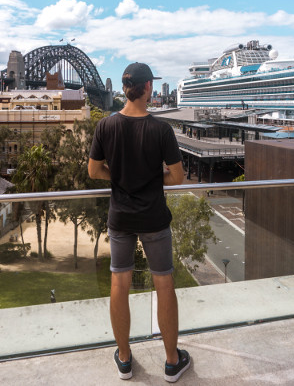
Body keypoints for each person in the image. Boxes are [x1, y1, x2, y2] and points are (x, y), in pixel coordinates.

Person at [88, 62, 191, 382]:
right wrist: (152, 178)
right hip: (154, 219)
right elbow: (177, 177)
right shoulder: (161, 130)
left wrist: (118, 176)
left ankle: (124, 358)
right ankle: (172, 361)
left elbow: (93, 171)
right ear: (148, 88)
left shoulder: (105, 126)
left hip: (120, 218)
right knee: (164, 283)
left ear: (125, 88)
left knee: (119, 283)